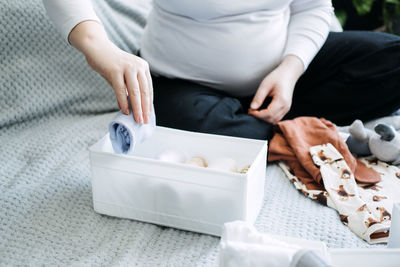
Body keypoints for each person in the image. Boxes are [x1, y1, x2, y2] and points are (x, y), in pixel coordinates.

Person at [43, 0, 400, 140]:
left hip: (285, 77)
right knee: (185, 119)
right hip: (180, 83)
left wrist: (290, 71)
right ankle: (296, 133)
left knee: (392, 58)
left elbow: (312, 8)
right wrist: (100, 48)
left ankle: (271, 127)